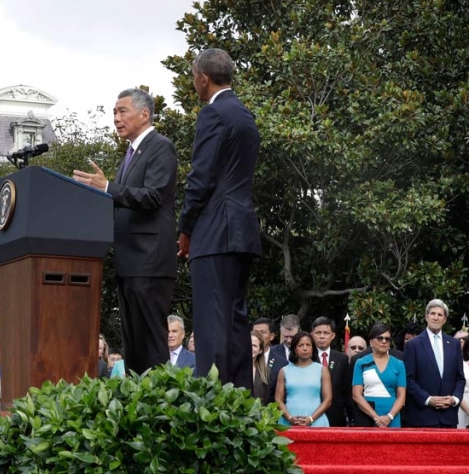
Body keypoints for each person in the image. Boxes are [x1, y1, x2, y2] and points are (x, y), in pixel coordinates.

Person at [72, 88, 178, 374]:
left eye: (122, 111)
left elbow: (153, 197)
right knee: (133, 344)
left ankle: (158, 404)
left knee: (151, 343)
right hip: (129, 262)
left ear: (144, 114)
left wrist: (107, 187)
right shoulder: (131, 153)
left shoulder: (160, 146)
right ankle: (138, 403)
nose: (116, 118)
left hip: (150, 261)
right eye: (114, 113)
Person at [177, 49, 261, 390]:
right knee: (236, 321)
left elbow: (201, 177)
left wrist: (186, 228)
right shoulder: (245, 115)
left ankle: (211, 404)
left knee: (211, 323)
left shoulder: (212, 114)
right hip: (242, 231)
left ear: (203, 78)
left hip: (214, 231)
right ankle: (241, 399)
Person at [403, 299, 466, 428]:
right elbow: (408, 380)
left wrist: (454, 399)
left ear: (445, 319)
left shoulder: (453, 344)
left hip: (448, 416)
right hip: (422, 416)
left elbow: (460, 378)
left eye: (440, 315)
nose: (435, 318)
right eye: (432, 314)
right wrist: (428, 400)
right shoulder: (413, 345)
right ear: (426, 316)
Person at [351, 323, 407, 428]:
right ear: (371, 342)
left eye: (387, 339)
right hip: (366, 416)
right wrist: (375, 417)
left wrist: (389, 417)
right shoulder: (360, 363)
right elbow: (356, 395)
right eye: (380, 338)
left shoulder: (399, 364)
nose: (384, 341)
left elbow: (402, 396)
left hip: (392, 417)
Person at [275, 332, 332, 427]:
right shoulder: (284, 371)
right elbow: (278, 399)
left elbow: (328, 400)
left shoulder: (322, 370)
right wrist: (289, 418)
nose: (305, 348)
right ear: (294, 349)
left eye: (308, 345)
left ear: (313, 348)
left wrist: (311, 418)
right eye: (300, 345)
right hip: (289, 420)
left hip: (316, 420)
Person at [311, 317, 350, 427]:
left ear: (332, 335)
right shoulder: (307, 358)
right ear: (312, 335)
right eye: (318, 333)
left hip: (336, 416)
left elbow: (346, 390)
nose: (322, 336)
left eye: (326, 333)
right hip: (311, 413)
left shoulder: (342, 359)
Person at [268, 315, 300, 398]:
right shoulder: (271, 352)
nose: (289, 340)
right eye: (285, 336)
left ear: (300, 332)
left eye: (292, 337)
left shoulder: (307, 352)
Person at [250, 332, 271, 405]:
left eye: (254, 346)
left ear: (260, 350)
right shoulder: (234, 369)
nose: (250, 348)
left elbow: (265, 399)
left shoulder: (266, 372)